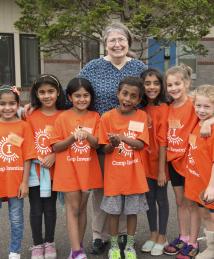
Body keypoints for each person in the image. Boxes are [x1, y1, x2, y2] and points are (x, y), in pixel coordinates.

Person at [79, 21, 147, 255]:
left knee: (126, 187)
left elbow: (152, 93)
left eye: (121, 40)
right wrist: (33, 108)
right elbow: (77, 94)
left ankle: (125, 237)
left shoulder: (138, 66)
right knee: (102, 190)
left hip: (130, 136)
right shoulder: (92, 67)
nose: (117, 44)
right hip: (102, 135)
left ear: (128, 43)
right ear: (105, 44)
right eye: (112, 40)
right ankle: (100, 235)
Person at [51, 78, 103, 259]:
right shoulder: (62, 118)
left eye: (86, 95)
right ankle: (76, 251)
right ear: (69, 97)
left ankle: (77, 247)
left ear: (91, 97)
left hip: (87, 170)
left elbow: (97, 145)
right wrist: (72, 138)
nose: (82, 99)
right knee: (72, 209)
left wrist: (87, 135)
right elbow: (56, 147)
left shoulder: (95, 117)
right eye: (77, 95)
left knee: (82, 209)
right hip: (68, 171)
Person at [99, 77, 149, 259]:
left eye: (133, 96)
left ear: (139, 99)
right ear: (118, 94)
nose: (128, 99)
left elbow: (140, 144)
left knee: (132, 212)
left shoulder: (141, 116)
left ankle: (129, 246)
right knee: (113, 213)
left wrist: (121, 138)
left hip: (134, 176)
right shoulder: (107, 117)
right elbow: (104, 149)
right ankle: (113, 246)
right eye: (124, 94)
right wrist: (112, 144)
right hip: (114, 177)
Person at [163, 65, 202, 259]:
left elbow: (210, 113)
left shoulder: (195, 104)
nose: (173, 88)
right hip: (174, 161)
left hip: (191, 162)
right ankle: (184, 236)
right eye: (169, 85)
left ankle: (193, 242)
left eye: (177, 83)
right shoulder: (169, 108)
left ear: (186, 83)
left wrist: (210, 123)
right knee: (180, 202)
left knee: (192, 203)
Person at [26, 74, 66, 259]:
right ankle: (36, 244)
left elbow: (67, 142)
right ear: (36, 94)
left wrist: (54, 155)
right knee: (35, 209)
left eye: (50, 91)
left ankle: (49, 242)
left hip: (54, 173)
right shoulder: (30, 115)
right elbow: (25, 140)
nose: (47, 95)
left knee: (50, 209)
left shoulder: (64, 115)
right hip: (34, 171)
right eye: (42, 92)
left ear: (58, 93)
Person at [0, 85, 35, 259]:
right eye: (2, 104)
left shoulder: (23, 126)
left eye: (11, 103)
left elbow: (28, 156)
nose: (7, 108)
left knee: (16, 219)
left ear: (18, 104)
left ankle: (15, 251)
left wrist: (24, 182)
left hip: (15, 182)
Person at [140, 68, 169, 256]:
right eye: (147, 83)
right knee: (148, 199)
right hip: (143, 163)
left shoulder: (164, 108)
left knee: (161, 199)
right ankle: (152, 234)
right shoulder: (139, 108)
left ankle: (163, 236)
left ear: (161, 85)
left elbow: (162, 142)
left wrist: (161, 171)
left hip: (159, 163)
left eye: (156, 83)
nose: (152, 87)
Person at [185, 84, 214, 259]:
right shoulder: (199, 122)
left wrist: (211, 187)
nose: (201, 110)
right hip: (198, 181)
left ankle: (212, 249)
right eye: (198, 105)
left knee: (211, 217)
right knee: (205, 214)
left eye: (207, 107)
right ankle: (211, 246)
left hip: (209, 184)